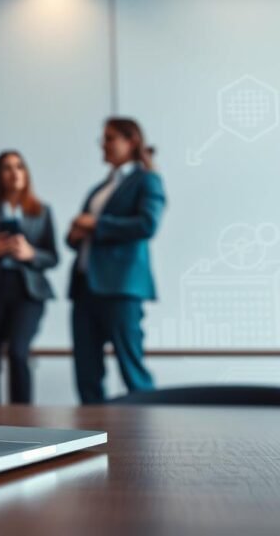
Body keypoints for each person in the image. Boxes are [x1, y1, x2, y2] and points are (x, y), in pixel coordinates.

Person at [66, 118, 166, 404]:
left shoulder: (147, 179)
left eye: (110, 138)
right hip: (85, 288)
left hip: (121, 287)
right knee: (86, 373)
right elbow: (81, 233)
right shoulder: (99, 188)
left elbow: (148, 224)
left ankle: (145, 438)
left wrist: (96, 224)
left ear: (131, 141)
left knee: (131, 368)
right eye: (103, 139)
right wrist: (75, 233)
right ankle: (93, 439)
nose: (104, 145)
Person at [0, 151, 58, 404]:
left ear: (26, 173)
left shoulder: (42, 211)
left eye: (19, 167)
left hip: (28, 292)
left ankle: (23, 422)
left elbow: (53, 257)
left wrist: (31, 254)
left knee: (18, 352)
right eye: (7, 168)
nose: (14, 173)